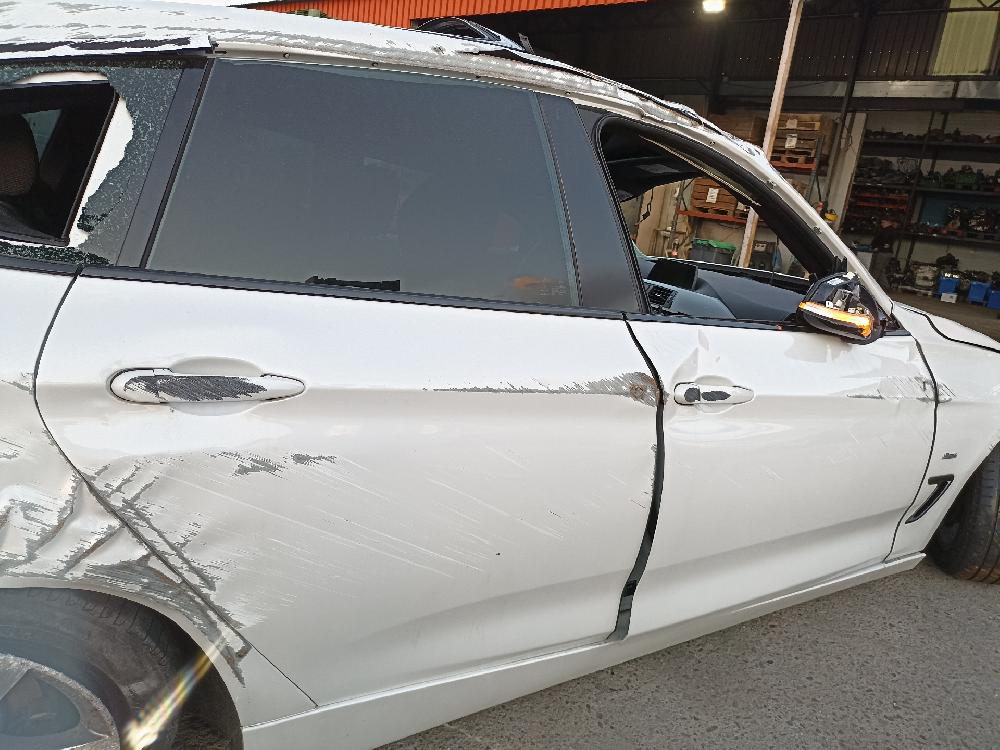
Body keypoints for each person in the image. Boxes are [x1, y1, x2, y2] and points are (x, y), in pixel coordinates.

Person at [868, 217, 898, 286]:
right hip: (885, 252)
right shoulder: (888, 230)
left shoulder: (888, 231)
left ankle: (871, 285)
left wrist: (878, 247)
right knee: (881, 270)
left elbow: (885, 243)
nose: (882, 224)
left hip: (883, 252)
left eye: (883, 222)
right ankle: (885, 286)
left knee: (877, 269)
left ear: (889, 222)